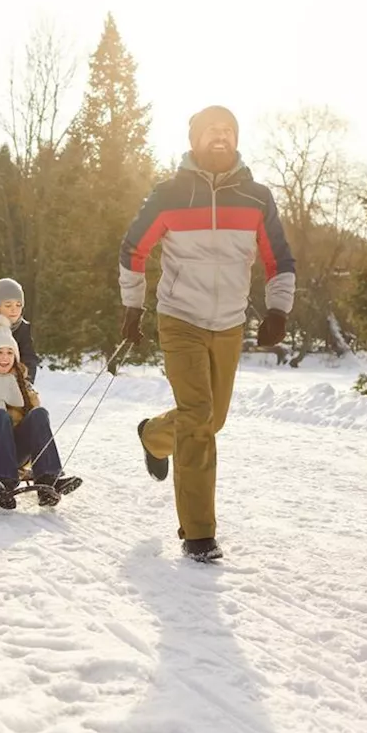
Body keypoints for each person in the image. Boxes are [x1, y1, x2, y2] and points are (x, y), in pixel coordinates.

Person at [116, 105, 296, 562]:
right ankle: (198, 533)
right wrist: (132, 306)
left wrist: (279, 308)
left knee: (212, 420)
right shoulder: (169, 194)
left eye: (229, 130)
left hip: (230, 321)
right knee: (198, 418)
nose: (221, 136)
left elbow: (279, 258)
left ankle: (154, 435)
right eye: (212, 130)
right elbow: (134, 249)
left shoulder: (256, 198)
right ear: (194, 139)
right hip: (180, 318)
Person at [0, 315, 81, 509]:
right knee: (0, 416)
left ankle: (48, 480)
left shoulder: (24, 387)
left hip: (17, 451)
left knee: (39, 413)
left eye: (10, 352)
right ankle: (1, 480)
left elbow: (38, 429)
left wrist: (29, 467)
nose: (5, 357)